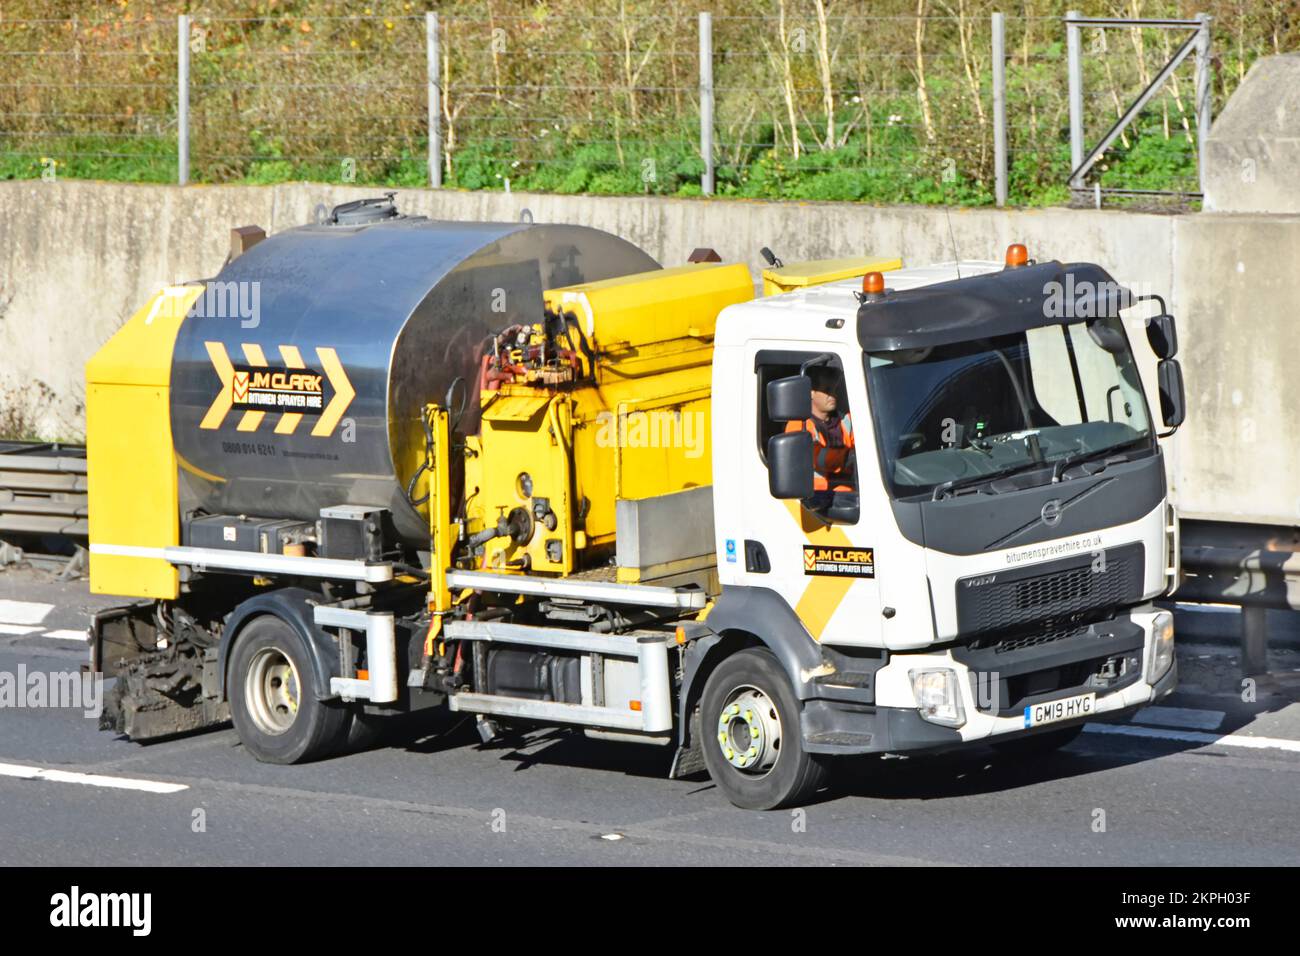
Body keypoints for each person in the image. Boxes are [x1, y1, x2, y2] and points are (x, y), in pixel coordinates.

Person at [784, 365, 856, 498]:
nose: (833, 394)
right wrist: (849, 457)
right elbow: (815, 457)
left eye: (835, 389)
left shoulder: (847, 419)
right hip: (818, 498)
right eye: (827, 390)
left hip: (853, 490)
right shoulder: (798, 425)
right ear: (811, 392)